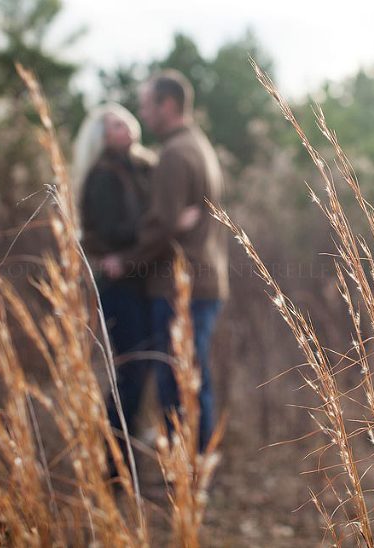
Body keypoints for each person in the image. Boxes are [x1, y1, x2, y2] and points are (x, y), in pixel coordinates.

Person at [100, 70, 229, 453]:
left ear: (167, 105)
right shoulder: (198, 144)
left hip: (181, 285)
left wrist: (124, 261)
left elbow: (162, 227)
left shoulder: (174, 155)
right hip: (203, 281)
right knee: (191, 378)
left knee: (178, 382)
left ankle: (187, 474)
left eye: (146, 105)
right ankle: (194, 467)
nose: (142, 113)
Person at [73, 103, 199, 475]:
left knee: (144, 371)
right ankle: (113, 468)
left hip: (143, 280)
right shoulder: (103, 175)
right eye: (114, 125)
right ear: (102, 136)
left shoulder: (144, 166)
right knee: (131, 371)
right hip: (118, 284)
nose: (125, 126)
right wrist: (167, 224)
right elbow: (109, 232)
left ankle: (123, 461)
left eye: (126, 120)